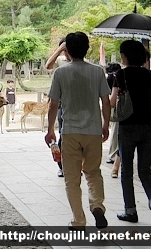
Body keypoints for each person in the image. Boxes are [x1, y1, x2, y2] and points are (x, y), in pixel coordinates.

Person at [45, 32, 111, 230]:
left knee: (71, 179)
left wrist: (50, 130)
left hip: (70, 131)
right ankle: (97, 206)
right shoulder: (97, 71)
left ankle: (79, 220)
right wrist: (105, 124)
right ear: (87, 49)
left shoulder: (61, 73)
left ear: (67, 50)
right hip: (93, 130)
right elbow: (106, 101)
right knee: (93, 173)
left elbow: (53, 104)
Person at [110, 40, 151, 228]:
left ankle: (130, 210)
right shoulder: (149, 74)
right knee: (144, 170)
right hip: (149, 123)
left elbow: (112, 101)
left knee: (127, 170)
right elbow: (149, 99)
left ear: (125, 55)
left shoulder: (121, 73)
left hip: (128, 125)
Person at [45, 38, 71, 177]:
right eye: (64, 50)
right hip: (61, 104)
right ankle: (61, 165)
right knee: (63, 135)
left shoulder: (82, 62)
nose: (66, 53)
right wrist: (60, 49)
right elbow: (48, 65)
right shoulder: (61, 60)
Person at [105, 62, 122, 178]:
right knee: (117, 132)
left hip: (114, 107)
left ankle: (112, 155)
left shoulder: (110, 78)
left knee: (115, 131)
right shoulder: (117, 77)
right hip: (119, 107)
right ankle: (113, 156)